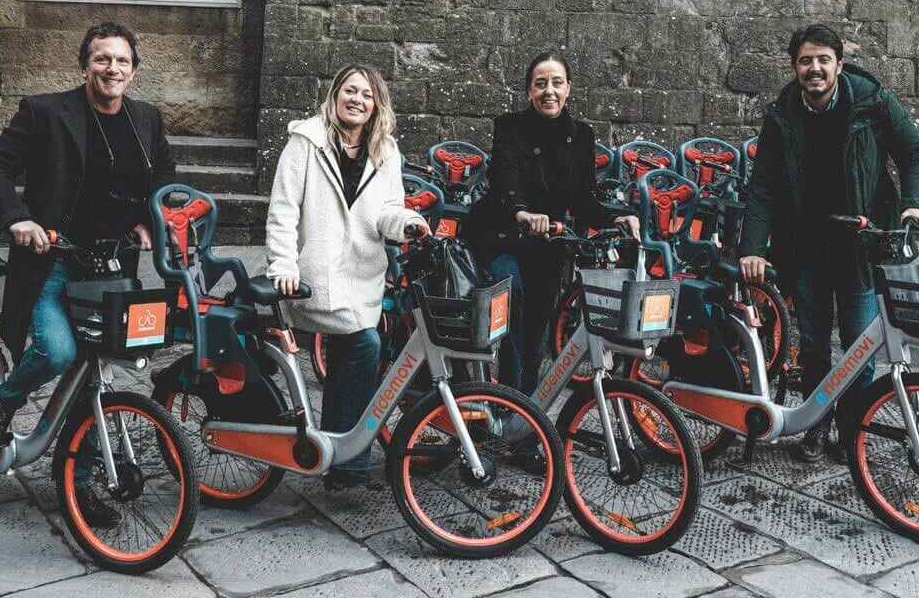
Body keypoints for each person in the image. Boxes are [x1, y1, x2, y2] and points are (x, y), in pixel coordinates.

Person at [0, 22, 177, 520]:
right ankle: (4, 404)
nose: (112, 69)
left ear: (134, 68)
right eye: (102, 59)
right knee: (59, 351)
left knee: (99, 375)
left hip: (111, 269)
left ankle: (80, 484)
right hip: (54, 262)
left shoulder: (146, 119)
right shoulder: (45, 112)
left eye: (122, 61)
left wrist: (148, 219)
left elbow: (165, 179)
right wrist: (19, 219)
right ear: (85, 64)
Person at [738, 23, 919, 463]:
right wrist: (752, 247)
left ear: (839, 65)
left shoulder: (872, 101)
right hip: (806, 245)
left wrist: (916, 204)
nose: (815, 68)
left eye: (823, 59)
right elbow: (764, 187)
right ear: (795, 67)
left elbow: (916, 152)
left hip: (860, 247)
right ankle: (815, 423)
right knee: (810, 342)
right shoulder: (782, 114)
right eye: (806, 60)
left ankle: (853, 430)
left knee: (859, 345)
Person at [264, 64, 429, 491]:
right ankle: (347, 460)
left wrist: (408, 222)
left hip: (360, 278)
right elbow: (283, 210)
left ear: (376, 105)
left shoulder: (385, 151)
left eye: (366, 94)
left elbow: (388, 210)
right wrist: (283, 265)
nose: (357, 99)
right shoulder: (306, 142)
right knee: (364, 344)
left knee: (353, 351)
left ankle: (340, 457)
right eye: (349, 91)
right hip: (311, 281)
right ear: (335, 95)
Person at [468, 52, 641, 398]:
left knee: (539, 328)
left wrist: (615, 217)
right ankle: (510, 397)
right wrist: (522, 212)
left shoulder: (581, 136)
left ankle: (528, 416)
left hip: (549, 245)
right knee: (513, 291)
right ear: (530, 91)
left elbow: (585, 200)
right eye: (541, 83)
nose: (549, 91)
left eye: (557, 83)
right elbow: (506, 180)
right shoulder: (509, 127)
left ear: (568, 89)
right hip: (502, 236)